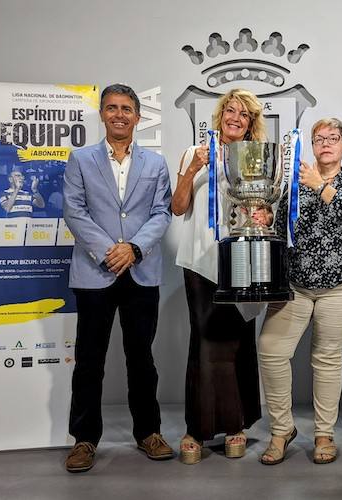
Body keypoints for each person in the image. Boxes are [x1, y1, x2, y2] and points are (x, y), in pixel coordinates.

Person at [62, 84, 173, 473]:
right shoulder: (81, 159)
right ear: (103, 115)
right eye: (111, 108)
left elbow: (162, 213)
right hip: (95, 272)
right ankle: (84, 440)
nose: (119, 114)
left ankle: (149, 433)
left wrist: (134, 249)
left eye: (126, 108)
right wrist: (110, 250)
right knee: (89, 361)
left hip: (140, 272)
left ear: (138, 117)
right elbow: (74, 211)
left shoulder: (155, 164)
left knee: (141, 358)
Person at [257, 118, 342, 465]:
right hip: (297, 285)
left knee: (326, 359)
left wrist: (321, 185)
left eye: (333, 138)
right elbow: (281, 232)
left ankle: (324, 434)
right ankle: (282, 430)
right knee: (271, 349)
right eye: (318, 138)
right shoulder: (294, 183)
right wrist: (264, 220)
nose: (325, 143)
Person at [171, 89, 265, 465]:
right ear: (220, 115)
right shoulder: (193, 153)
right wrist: (194, 169)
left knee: (238, 340)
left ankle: (237, 425)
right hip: (199, 262)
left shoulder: (257, 158)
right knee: (206, 342)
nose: (236, 117)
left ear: (250, 123)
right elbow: (178, 207)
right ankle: (198, 428)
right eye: (230, 110)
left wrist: (262, 216)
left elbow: (265, 209)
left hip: (242, 260)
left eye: (244, 114)